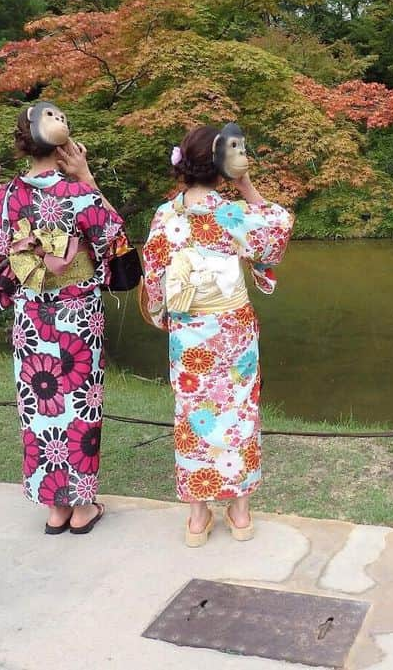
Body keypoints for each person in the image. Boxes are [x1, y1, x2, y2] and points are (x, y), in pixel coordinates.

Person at [0, 102, 124, 535]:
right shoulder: (79, 194)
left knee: (41, 405)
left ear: (22, 142)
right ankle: (82, 507)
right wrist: (86, 176)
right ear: (61, 142)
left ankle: (55, 508)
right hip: (77, 311)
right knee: (81, 404)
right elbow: (116, 239)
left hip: (31, 312)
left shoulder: (7, 197)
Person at [142, 124, 293, 547]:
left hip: (189, 329)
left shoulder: (165, 215)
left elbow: (154, 274)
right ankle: (240, 513)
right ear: (222, 166)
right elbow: (276, 230)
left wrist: (160, 312)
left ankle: (197, 517)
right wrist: (245, 184)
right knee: (238, 411)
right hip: (232, 328)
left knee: (192, 414)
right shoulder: (232, 213)